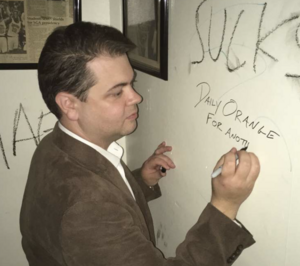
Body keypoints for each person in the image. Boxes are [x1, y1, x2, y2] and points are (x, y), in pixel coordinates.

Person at [20, 21, 260, 266]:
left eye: (131, 84)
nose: (136, 97)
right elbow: (91, 208)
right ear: (69, 105)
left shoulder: (54, 145)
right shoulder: (87, 208)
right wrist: (224, 205)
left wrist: (140, 182)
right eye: (117, 92)